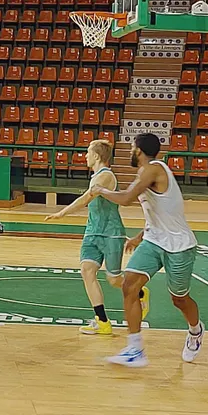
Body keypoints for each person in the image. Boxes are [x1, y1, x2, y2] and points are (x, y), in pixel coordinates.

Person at [93, 133, 203, 368]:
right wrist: (140, 236)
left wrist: (100, 191)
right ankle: (135, 349)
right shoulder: (146, 172)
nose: (130, 152)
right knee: (129, 285)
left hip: (179, 245)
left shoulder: (153, 169)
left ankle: (195, 330)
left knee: (179, 299)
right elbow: (160, 212)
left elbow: (125, 199)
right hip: (154, 240)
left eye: (132, 148)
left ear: (139, 151)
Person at [46, 139, 147, 335]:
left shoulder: (106, 176)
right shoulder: (95, 177)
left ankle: (140, 292)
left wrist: (62, 213)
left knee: (114, 279)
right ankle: (102, 321)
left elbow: (86, 198)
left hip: (111, 233)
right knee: (86, 271)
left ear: (97, 156)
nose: (85, 156)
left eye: (87, 152)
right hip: (92, 232)